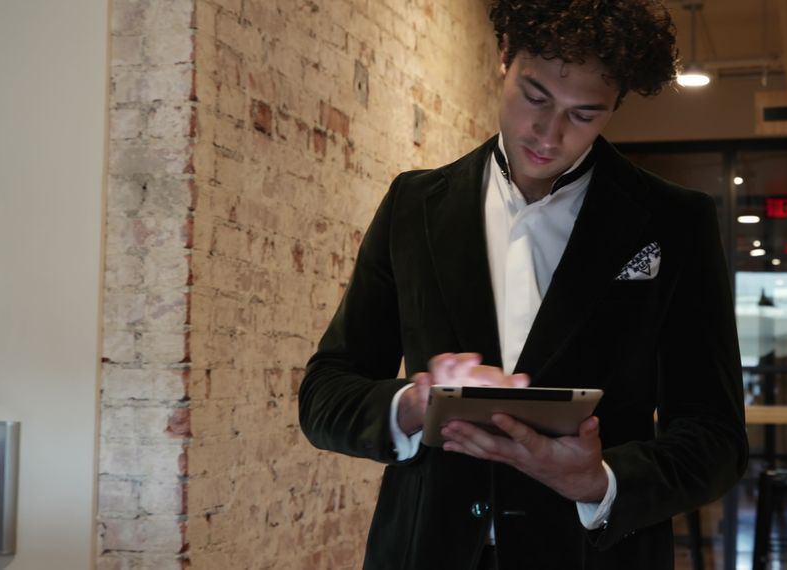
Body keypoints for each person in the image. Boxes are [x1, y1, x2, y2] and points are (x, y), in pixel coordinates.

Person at [298, 1, 748, 568]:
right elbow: (324, 393)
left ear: (616, 106)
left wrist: (600, 481)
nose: (550, 133)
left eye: (584, 114)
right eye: (535, 96)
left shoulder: (674, 222)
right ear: (504, 54)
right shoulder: (413, 206)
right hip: (425, 550)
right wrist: (412, 405)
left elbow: (717, 438)